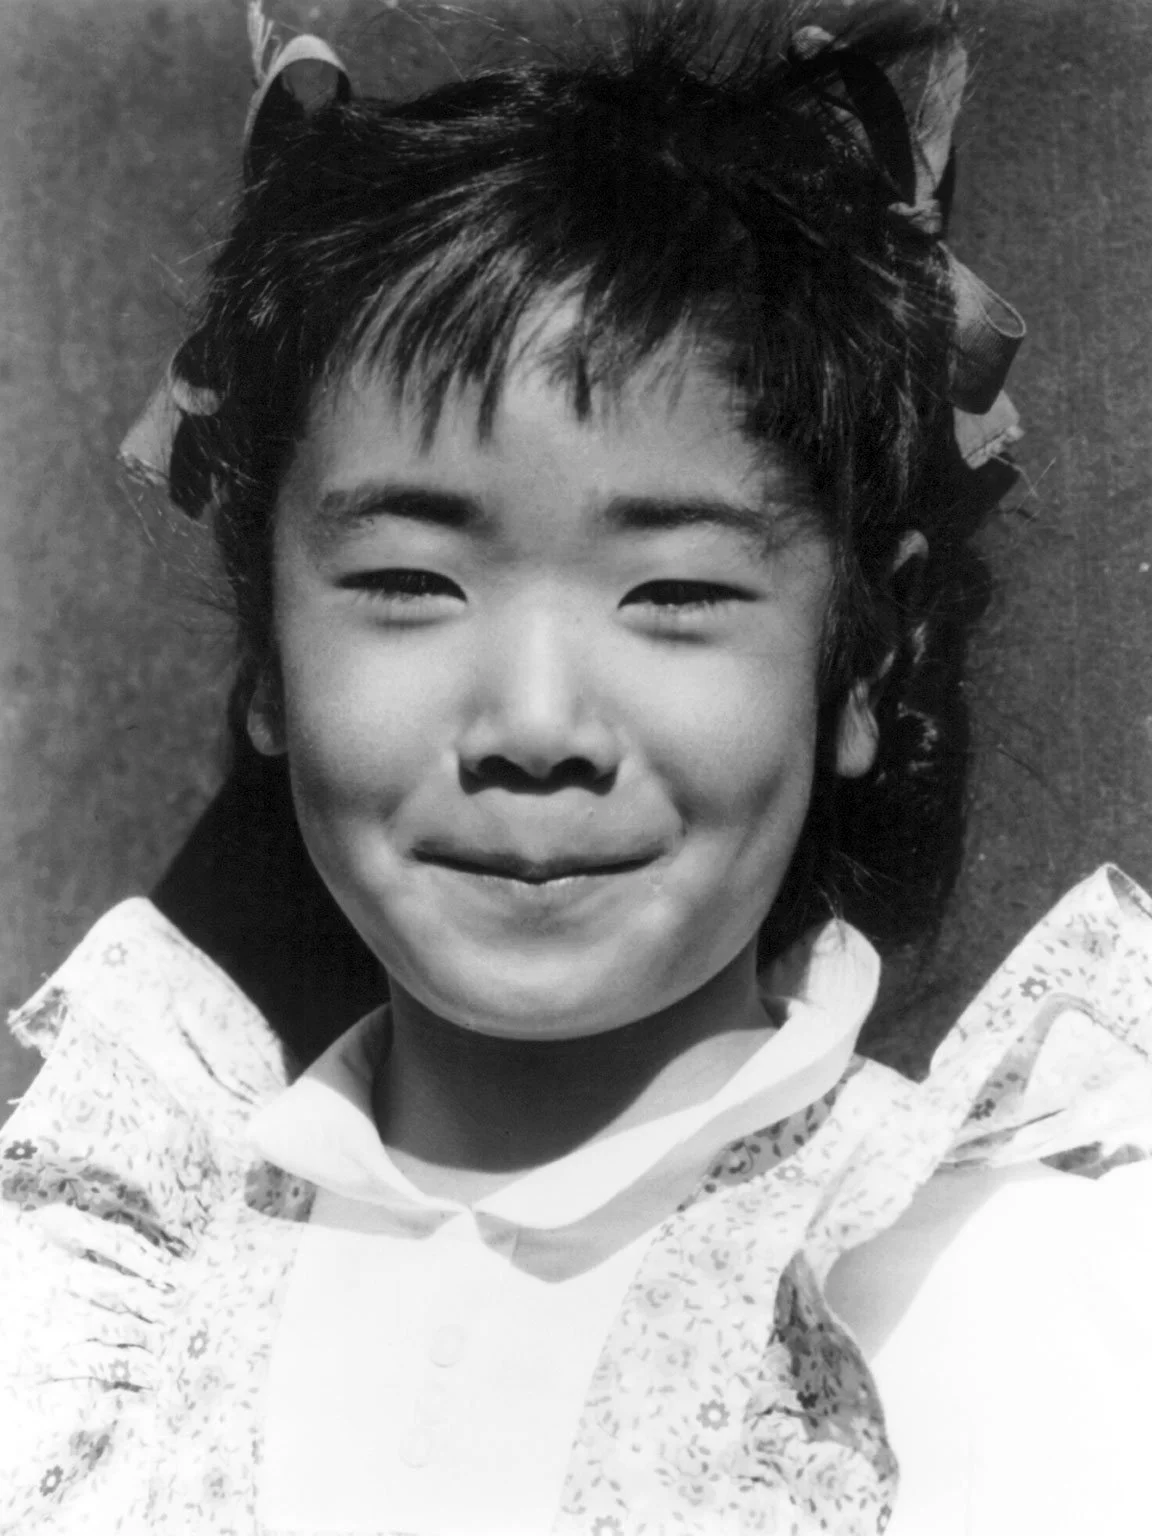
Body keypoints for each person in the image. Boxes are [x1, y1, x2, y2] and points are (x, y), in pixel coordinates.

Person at [2, 2, 1149, 1532]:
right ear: (271, 662)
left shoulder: (1002, 1293)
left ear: (859, 664)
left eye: (674, 593)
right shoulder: (83, 1319)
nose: (536, 724)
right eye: (411, 582)